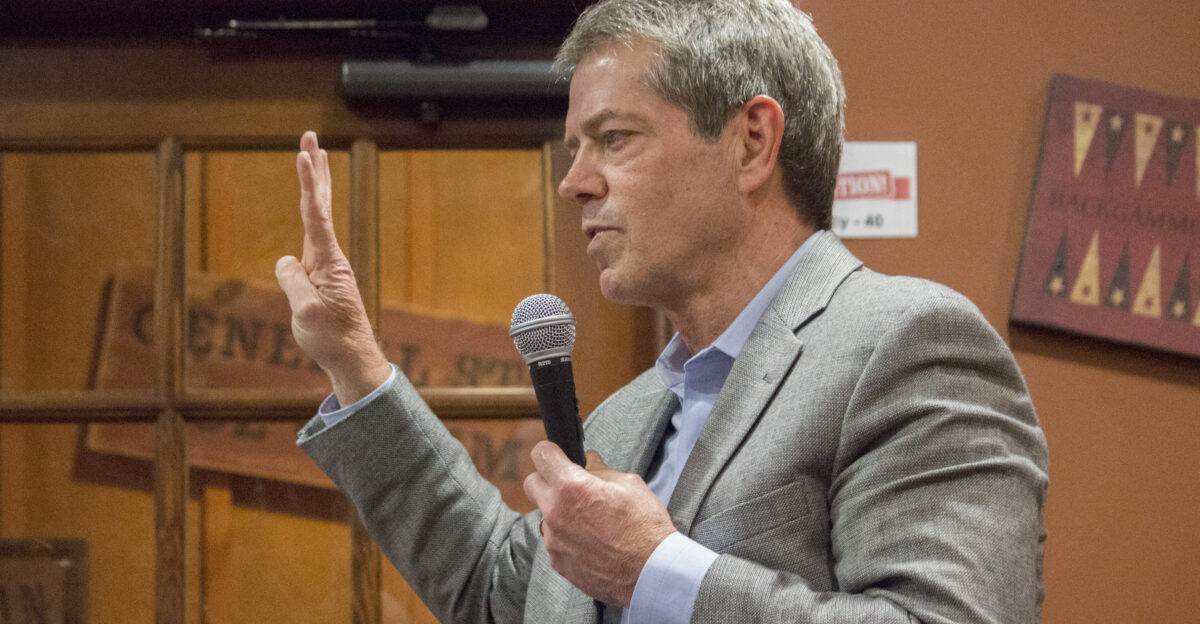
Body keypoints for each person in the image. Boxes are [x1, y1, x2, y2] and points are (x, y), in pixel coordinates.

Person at [276, 0, 1049, 622]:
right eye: (576, 146)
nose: (574, 181)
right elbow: (497, 593)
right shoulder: (625, 418)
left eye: (614, 139)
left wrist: (659, 572)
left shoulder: (908, 345)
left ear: (751, 142)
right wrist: (355, 363)